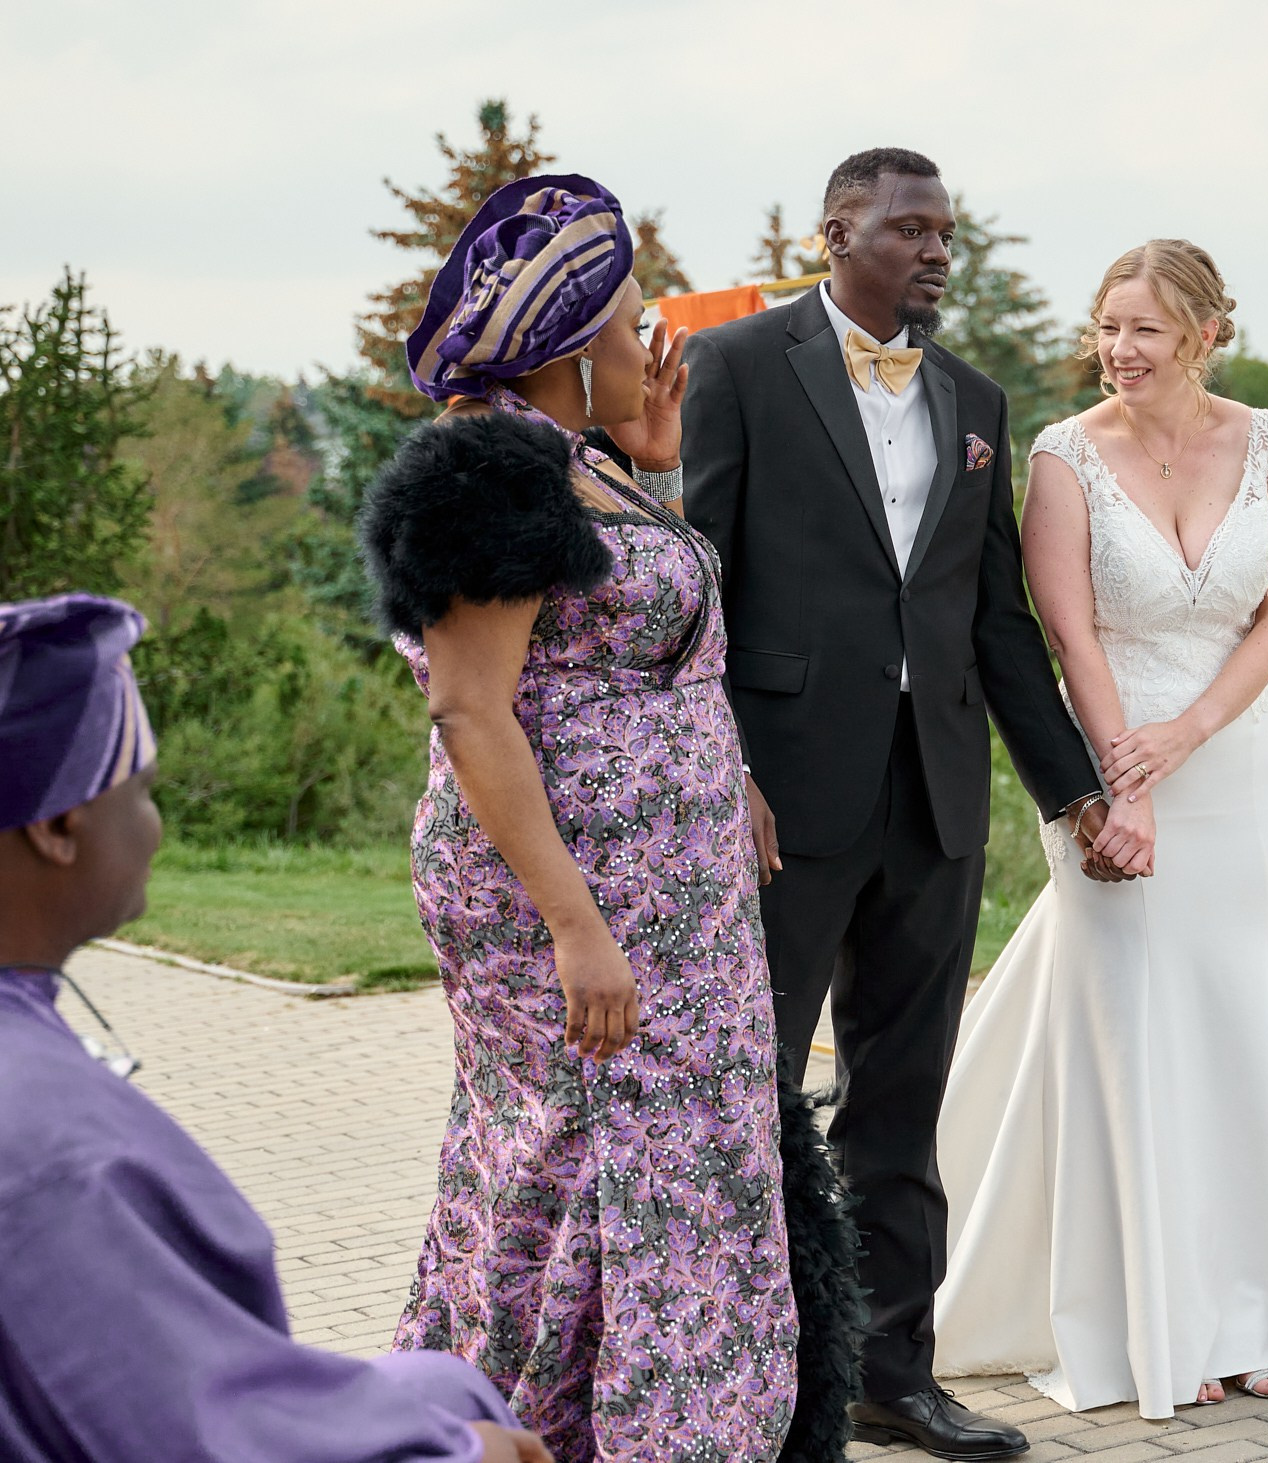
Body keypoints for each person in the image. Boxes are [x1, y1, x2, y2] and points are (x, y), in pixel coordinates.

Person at [358, 174, 857, 1463]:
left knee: (689, 1163)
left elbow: (643, 647)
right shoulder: (492, 472)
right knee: (581, 1170)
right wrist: (576, 925)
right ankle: (544, 1435)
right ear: (575, 349)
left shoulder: (585, 466)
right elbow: (472, 713)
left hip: (673, 905)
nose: (655, 343)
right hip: (572, 905)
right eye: (635, 325)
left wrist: (658, 472)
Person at [679, 147, 1142, 1460]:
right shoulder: (738, 369)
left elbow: (995, 622)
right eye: (910, 230)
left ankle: (896, 1376)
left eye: (947, 233)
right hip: (781, 804)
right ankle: (755, 1382)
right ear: (839, 232)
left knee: (902, 1100)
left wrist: (1078, 794)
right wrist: (727, 772)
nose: (937, 251)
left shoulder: (975, 397)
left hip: (935, 801)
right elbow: (695, 586)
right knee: (754, 1096)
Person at [930, 241, 1268, 1417]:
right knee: (1135, 1027)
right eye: (1106, 326)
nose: (1118, 350)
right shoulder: (1060, 458)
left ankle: (1258, 1307)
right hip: (1108, 760)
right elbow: (1068, 634)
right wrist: (1117, 786)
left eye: (1142, 328)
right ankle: (1156, 1315)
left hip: (1237, 761)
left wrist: (1190, 733)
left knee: (1237, 1017)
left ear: (1200, 332)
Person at [0, 592, 551, 1463]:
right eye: (140, 790)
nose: (156, 825)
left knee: (438, 1380)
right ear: (61, 823)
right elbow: (191, 1437)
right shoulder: (59, 1156)